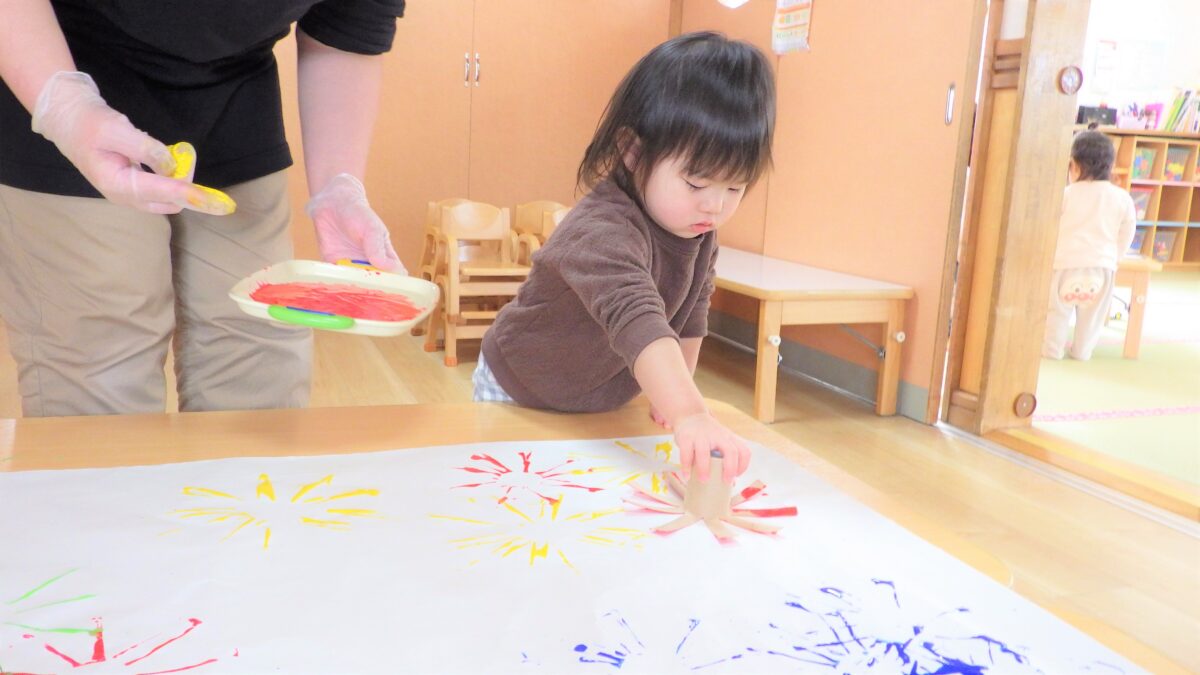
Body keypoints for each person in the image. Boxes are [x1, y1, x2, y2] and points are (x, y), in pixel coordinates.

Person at [0, 0, 405, 417]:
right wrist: (67, 110)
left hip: (233, 95)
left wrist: (338, 185)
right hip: (58, 64)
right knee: (100, 365)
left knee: (260, 357)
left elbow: (345, 27)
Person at [474, 32, 775, 485]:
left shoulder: (698, 228)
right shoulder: (603, 230)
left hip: (598, 397)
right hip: (520, 388)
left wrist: (678, 396)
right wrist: (690, 414)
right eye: (696, 184)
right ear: (633, 152)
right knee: (512, 491)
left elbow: (691, 312)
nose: (715, 206)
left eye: (735, 187)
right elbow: (638, 318)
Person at [1042, 127, 1137, 361]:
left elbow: (1049, 226)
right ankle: (1082, 351)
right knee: (1092, 317)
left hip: (1064, 265)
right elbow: (1127, 231)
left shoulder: (1065, 194)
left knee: (1056, 312)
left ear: (1074, 166)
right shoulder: (1122, 198)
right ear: (1110, 166)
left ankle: (1052, 350)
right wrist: (1115, 256)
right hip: (1102, 268)